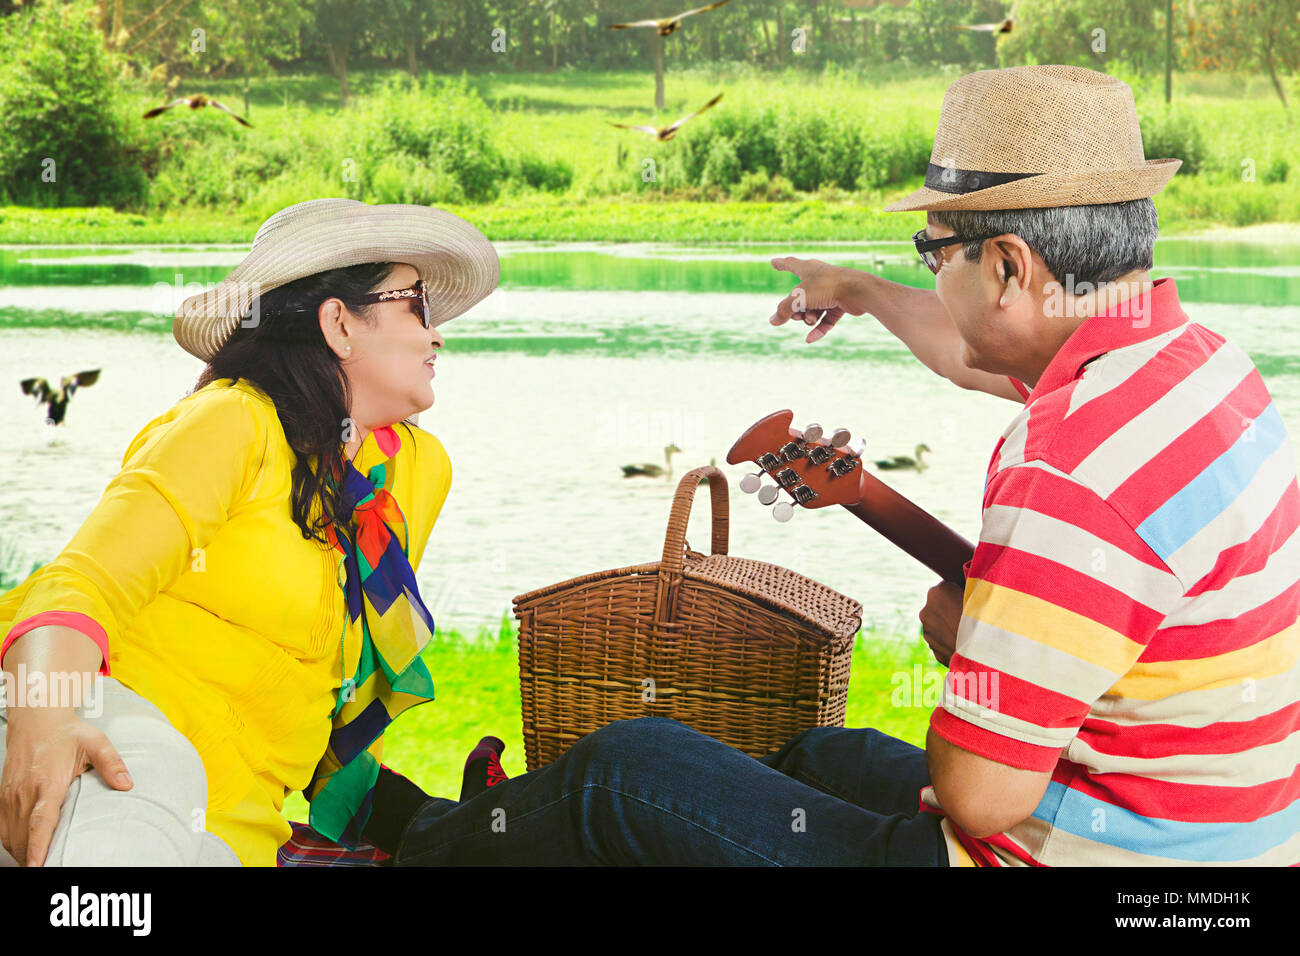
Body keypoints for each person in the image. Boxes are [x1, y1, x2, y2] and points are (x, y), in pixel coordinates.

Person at [392, 65, 1300, 866]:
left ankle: (399, 841)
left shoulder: (1070, 461)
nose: (930, 275)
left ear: (1012, 267)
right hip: (1219, 832)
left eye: (933, 251)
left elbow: (983, 799)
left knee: (621, 774)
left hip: (1092, 851)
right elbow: (978, 364)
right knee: (823, 759)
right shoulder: (1193, 369)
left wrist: (967, 658)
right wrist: (861, 292)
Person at [0, 197, 499, 866]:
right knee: (154, 782)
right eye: (419, 307)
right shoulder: (235, 422)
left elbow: (344, 681)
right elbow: (79, 583)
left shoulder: (410, 479)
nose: (437, 336)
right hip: (101, 718)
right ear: (338, 323)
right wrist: (46, 720)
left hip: (226, 825)